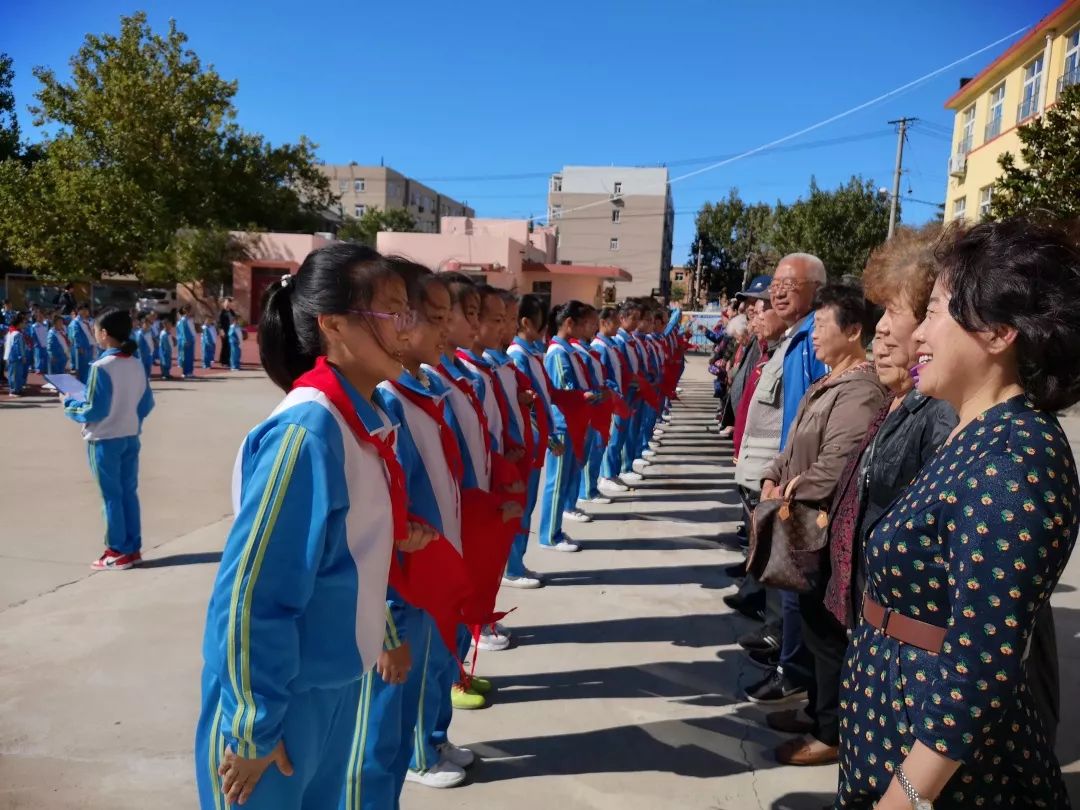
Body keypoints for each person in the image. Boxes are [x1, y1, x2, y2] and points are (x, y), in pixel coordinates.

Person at [835, 220, 1080, 809]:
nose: (918, 332)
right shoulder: (976, 435)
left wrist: (907, 797)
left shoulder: (1017, 456)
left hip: (953, 781)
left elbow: (980, 661)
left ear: (998, 332)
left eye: (937, 310)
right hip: (891, 729)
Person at [194, 244, 434, 810]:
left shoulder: (363, 424)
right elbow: (253, 596)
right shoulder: (307, 433)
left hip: (334, 683)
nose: (411, 330)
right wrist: (254, 727)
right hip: (279, 701)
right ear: (335, 326)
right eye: (395, 312)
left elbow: (348, 559)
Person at [348, 259, 473, 801]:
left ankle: (423, 748)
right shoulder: (384, 402)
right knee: (385, 714)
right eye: (435, 316)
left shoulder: (420, 390)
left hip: (430, 564)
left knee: (426, 674)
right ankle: (420, 754)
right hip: (401, 585)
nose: (446, 329)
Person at [756, 286, 887, 767]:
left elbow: (837, 463)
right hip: (804, 524)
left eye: (821, 329)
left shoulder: (859, 390)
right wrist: (774, 472)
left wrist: (789, 489)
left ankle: (831, 731)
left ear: (853, 332)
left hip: (824, 530)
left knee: (826, 632)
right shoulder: (830, 381)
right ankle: (815, 710)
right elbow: (796, 443)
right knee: (810, 625)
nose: (813, 338)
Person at [740, 253, 828, 705]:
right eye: (775, 282)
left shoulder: (816, 338)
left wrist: (798, 474)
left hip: (806, 484)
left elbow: (819, 419)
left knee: (797, 585)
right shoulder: (796, 337)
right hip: (787, 475)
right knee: (786, 583)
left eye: (788, 283)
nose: (776, 291)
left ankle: (794, 675)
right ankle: (789, 664)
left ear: (815, 287)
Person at [60, 308, 154, 569]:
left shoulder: (101, 367)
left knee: (111, 496)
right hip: (129, 435)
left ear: (104, 334)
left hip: (103, 439)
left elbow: (94, 410)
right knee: (128, 493)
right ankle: (132, 548)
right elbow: (146, 404)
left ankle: (116, 550)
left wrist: (69, 404)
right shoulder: (136, 363)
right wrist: (127, 418)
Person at [505, 294, 563, 588]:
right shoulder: (517, 357)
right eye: (540, 328)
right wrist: (547, 434)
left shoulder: (532, 355)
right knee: (519, 508)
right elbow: (526, 407)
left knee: (528, 505)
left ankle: (518, 562)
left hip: (537, 442)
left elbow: (546, 394)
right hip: (527, 443)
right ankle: (511, 568)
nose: (543, 334)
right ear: (526, 323)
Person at [539, 301, 596, 553]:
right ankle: (549, 536)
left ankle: (556, 530)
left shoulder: (568, 350)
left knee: (564, 479)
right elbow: (563, 391)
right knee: (556, 481)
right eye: (584, 324)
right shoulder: (557, 353)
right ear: (569, 323)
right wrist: (588, 396)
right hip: (563, 424)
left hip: (573, 422)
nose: (588, 329)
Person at [593, 306, 631, 496]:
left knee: (617, 437)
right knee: (610, 439)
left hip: (617, 397)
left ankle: (612, 472)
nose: (618, 326)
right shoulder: (600, 346)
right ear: (603, 323)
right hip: (609, 400)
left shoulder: (610, 344)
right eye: (615, 322)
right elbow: (602, 374)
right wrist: (614, 391)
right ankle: (605, 475)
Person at [69, 303, 95, 384]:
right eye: (82, 309)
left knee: (91, 368)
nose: (84, 311)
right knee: (82, 368)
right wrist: (79, 347)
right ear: (78, 311)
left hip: (92, 347)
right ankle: (81, 385)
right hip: (83, 348)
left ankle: (88, 385)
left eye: (86, 310)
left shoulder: (91, 320)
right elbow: (76, 335)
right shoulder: (76, 322)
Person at [5, 312, 30, 396]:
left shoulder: (13, 332)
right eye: (23, 322)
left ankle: (18, 388)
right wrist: (21, 356)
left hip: (13, 357)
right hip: (15, 357)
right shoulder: (16, 334)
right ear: (19, 323)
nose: (24, 324)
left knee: (18, 374)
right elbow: (17, 347)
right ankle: (13, 390)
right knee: (14, 374)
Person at [176, 305, 197, 379]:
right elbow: (182, 332)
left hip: (191, 340)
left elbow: (193, 330)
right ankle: (185, 372)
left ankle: (190, 372)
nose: (190, 312)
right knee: (185, 357)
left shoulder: (189, 320)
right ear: (186, 311)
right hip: (186, 341)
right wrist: (185, 340)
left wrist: (194, 338)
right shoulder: (183, 321)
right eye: (189, 311)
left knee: (190, 357)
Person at [218, 297, 235, 368]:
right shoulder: (222, 312)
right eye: (226, 303)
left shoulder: (231, 311)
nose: (228, 304)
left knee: (229, 346)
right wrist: (221, 331)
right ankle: (223, 361)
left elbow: (234, 319)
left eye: (229, 303)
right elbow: (219, 323)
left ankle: (228, 361)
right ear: (224, 304)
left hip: (231, 331)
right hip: (224, 331)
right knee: (225, 346)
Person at [31, 310, 48, 374]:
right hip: (38, 345)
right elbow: (33, 336)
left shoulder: (45, 325)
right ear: (36, 317)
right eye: (39, 316)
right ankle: (38, 369)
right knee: (38, 357)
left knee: (45, 357)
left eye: (42, 316)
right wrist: (36, 343)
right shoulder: (34, 326)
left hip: (45, 344)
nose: (41, 318)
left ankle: (45, 369)